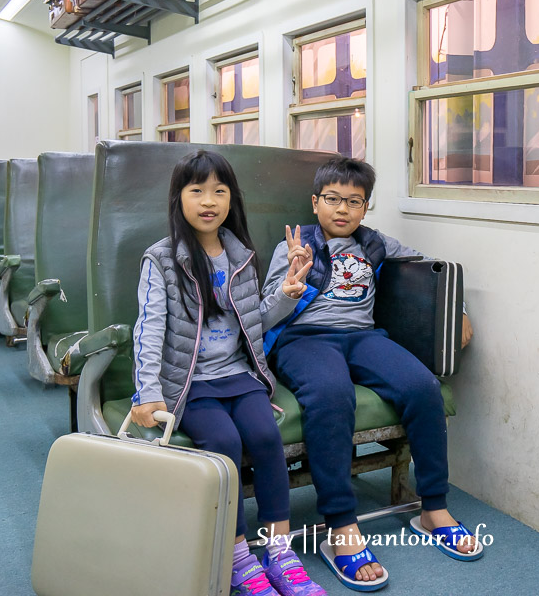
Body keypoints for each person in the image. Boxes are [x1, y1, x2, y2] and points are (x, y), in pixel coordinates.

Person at [261, 156, 480, 592]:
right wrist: (291, 285)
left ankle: (432, 507)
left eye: (353, 202)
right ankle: (341, 526)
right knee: (331, 394)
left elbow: (431, 270)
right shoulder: (295, 244)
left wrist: (459, 310)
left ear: (365, 208)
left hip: (362, 337)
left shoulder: (376, 243)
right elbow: (266, 315)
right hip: (304, 339)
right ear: (315, 202)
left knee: (422, 387)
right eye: (332, 199)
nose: (342, 209)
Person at [126, 150, 326, 596]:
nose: (208, 200)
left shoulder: (240, 254)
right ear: (178, 198)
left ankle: (280, 551)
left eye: (219, 190)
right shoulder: (161, 259)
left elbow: (254, 318)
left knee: (266, 438)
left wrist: (288, 293)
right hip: (189, 383)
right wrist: (147, 392)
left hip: (238, 376)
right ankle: (237, 556)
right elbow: (149, 328)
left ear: (232, 199)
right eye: (196, 190)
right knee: (223, 444)